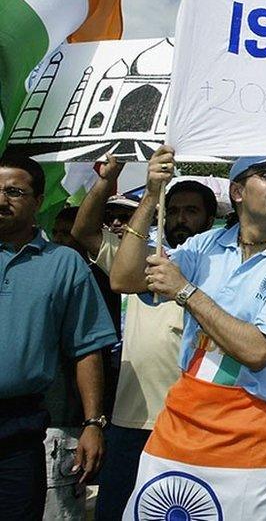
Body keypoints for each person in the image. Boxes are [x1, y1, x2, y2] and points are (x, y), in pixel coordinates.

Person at [111, 147, 266, 520]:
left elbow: (258, 350)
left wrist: (186, 291)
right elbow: (124, 278)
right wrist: (151, 195)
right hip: (179, 431)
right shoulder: (204, 247)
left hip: (253, 444)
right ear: (238, 192)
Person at [88, 178, 217, 521]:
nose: (180, 218)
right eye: (173, 210)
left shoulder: (223, 267)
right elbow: (84, 230)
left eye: (191, 211)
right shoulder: (140, 259)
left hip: (191, 423)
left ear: (209, 218)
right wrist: (144, 192)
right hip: (133, 419)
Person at [0, 153, 117, 520]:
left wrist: (93, 424)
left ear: (37, 201)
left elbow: (86, 349)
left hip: (18, 431)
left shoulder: (64, 263)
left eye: (14, 191)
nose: (1, 199)